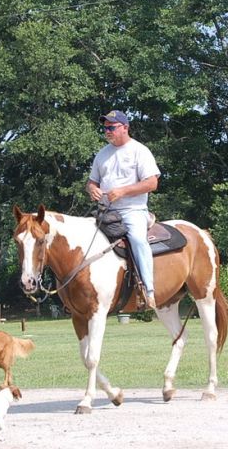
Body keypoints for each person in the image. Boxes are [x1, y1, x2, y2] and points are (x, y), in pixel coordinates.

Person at [86, 109, 161, 309]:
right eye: (105, 128)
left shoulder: (139, 151)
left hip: (132, 211)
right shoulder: (102, 154)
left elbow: (152, 183)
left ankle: (148, 290)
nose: (107, 131)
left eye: (111, 127)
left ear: (125, 127)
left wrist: (122, 191)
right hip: (106, 211)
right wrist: (92, 189)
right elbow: (92, 182)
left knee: (137, 240)